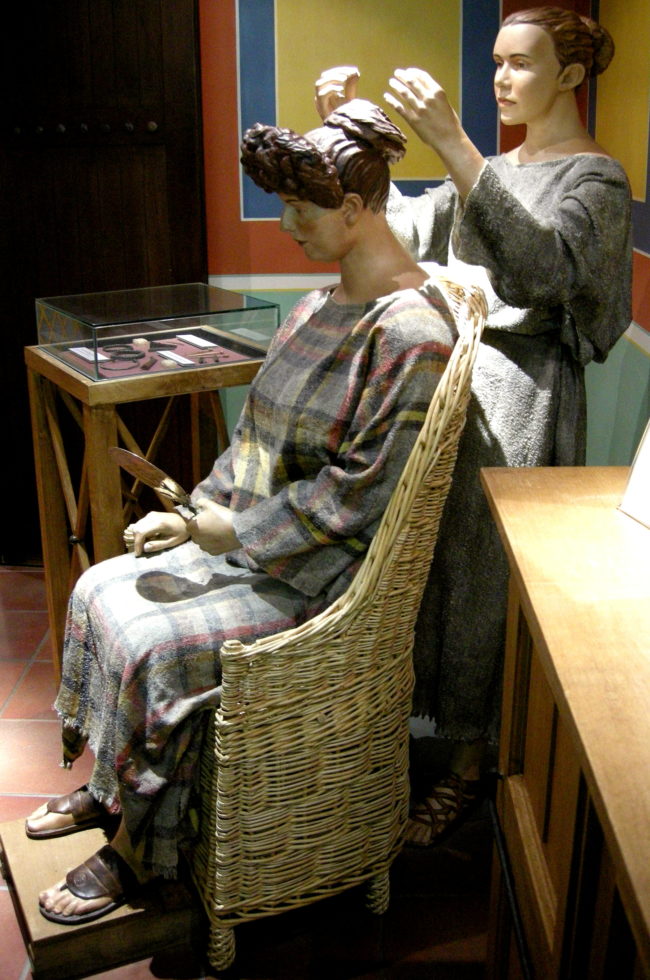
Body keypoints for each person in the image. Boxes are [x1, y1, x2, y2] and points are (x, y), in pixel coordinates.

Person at [27, 98, 460, 924]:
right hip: (254, 546)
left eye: (301, 209)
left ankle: (139, 849)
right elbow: (255, 441)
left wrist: (237, 531)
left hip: (322, 578)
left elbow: (360, 495)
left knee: (155, 644)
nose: (287, 225)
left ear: (355, 210)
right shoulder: (314, 307)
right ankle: (115, 786)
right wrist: (193, 515)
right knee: (101, 586)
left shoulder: (411, 335)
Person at [315, 6, 632, 845]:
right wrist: (346, 133)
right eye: (496, 61)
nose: (501, 79)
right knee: (423, 562)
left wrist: (456, 146)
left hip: (523, 398)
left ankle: (470, 762)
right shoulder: (496, 168)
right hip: (448, 392)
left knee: (485, 581)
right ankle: (409, 735)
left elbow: (540, 272)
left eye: (521, 63)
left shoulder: (595, 180)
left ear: (571, 75)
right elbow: (400, 234)